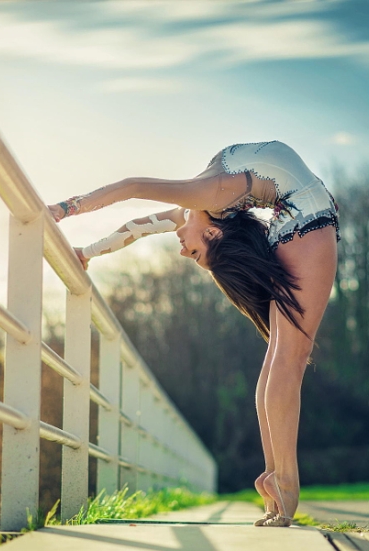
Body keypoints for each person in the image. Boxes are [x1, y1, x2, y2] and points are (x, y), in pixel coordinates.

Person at [48, 141, 339, 527]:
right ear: (215, 235)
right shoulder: (204, 203)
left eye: (194, 256)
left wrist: (66, 209)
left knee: (280, 358)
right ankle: (279, 478)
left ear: (215, 234)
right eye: (196, 254)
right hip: (304, 220)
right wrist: (89, 252)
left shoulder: (203, 199)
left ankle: (278, 478)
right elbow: (135, 228)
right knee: (286, 358)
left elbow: (134, 189)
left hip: (297, 219)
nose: (184, 253)